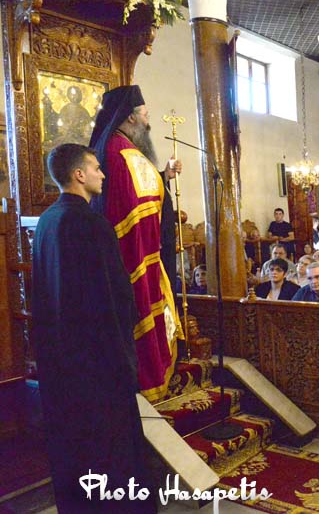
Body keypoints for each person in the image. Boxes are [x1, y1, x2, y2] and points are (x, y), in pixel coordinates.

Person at [32, 143, 156, 513]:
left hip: (61, 364)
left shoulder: (46, 221)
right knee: (110, 453)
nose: (102, 174)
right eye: (96, 168)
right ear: (79, 174)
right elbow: (112, 297)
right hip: (99, 366)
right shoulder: (91, 224)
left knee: (75, 447)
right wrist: (127, 362)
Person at [88, 84, 181, 402]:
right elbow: (131, 205)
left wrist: (163, 176)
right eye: (144, 114)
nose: (147, 121)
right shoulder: (121, 152)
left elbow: (141, 193)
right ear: (130, 117)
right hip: (135, 256)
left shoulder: (122, 148)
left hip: (141, 252)